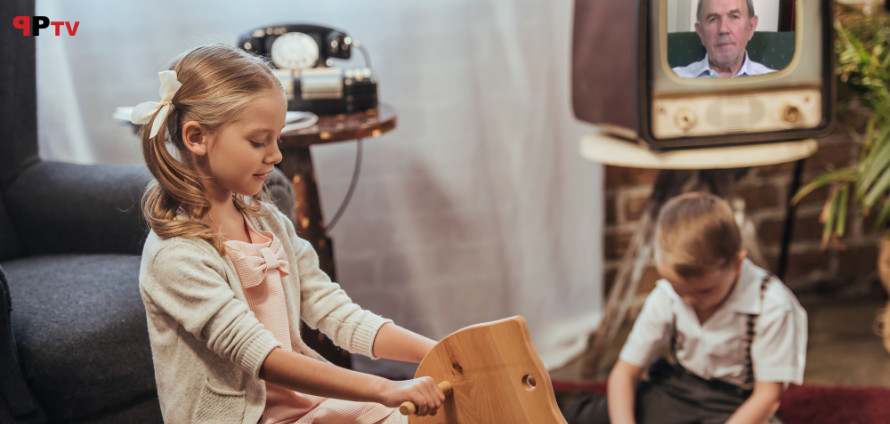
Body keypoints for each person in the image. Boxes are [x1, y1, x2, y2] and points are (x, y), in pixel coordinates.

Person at [133, 44, 445, 424]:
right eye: (258, 141)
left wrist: (443, 351)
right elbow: (262, 357)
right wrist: (382, 387)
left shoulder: (268, 221)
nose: (276, 155)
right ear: (197, 137)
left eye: (277, 138)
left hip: (302, 407)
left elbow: (336, 313)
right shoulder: (175, 256)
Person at [562, 192, 807, 423]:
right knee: (592, 413)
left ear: (737, 263)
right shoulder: (667, 295)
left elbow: (768, 396)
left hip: (736, 405)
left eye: (704, 291)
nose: (688, 300)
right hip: (677, 391)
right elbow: (625, 372)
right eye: (678, 289)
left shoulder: (773, 306)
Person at [672, 0, 776, 78]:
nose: (723, 29)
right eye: (713, 19)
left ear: (751, 27)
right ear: (700, 32)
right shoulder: (672, 82)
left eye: (734, 17)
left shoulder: (777, 84)